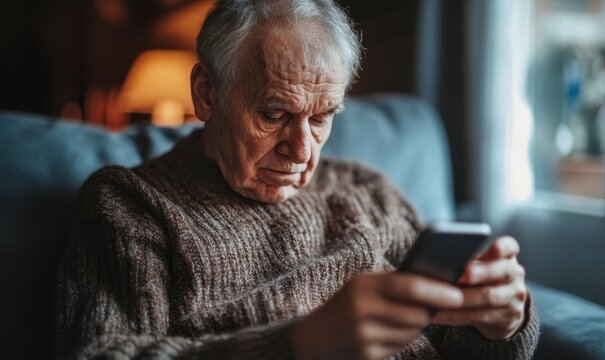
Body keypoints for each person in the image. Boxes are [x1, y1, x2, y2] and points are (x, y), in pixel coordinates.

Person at [54, 0, 540, 358]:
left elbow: (461, 345)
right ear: (207, 94)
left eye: (323, 117)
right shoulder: (129, 204)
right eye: (274, 112)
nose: (302, 150)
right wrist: (299, 345)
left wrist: (500, 322)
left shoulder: (366, 190)